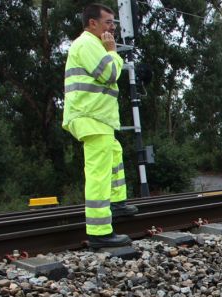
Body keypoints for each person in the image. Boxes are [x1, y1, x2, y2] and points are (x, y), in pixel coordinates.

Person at [63, 3, 138, 249]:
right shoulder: (87, 44)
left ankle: (116, 205)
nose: (112, 28)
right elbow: (110, 74)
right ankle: (99, 232)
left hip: (98, 119)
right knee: (98, 174)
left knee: (114, 156)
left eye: (113, 24)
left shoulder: (93, 44)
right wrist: (113, 51)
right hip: (90, 118)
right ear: (92, 23)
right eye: (108, 23)